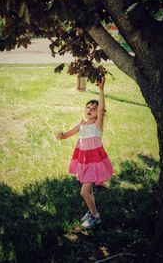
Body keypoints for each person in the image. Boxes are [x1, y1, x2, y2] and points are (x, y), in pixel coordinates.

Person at [56, 77, 113, 229]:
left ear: (98, 113)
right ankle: (91, 211)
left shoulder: (97, 125)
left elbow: (101, 109)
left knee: (84, 192)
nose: (90, 109)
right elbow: (71, 132)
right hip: (84, 161)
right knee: (89, 191)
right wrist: (63, 135)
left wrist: (101, 90)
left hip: (94, 163)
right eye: (88, 107)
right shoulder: (83, 122)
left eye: (94, 108)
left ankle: (95, 216)